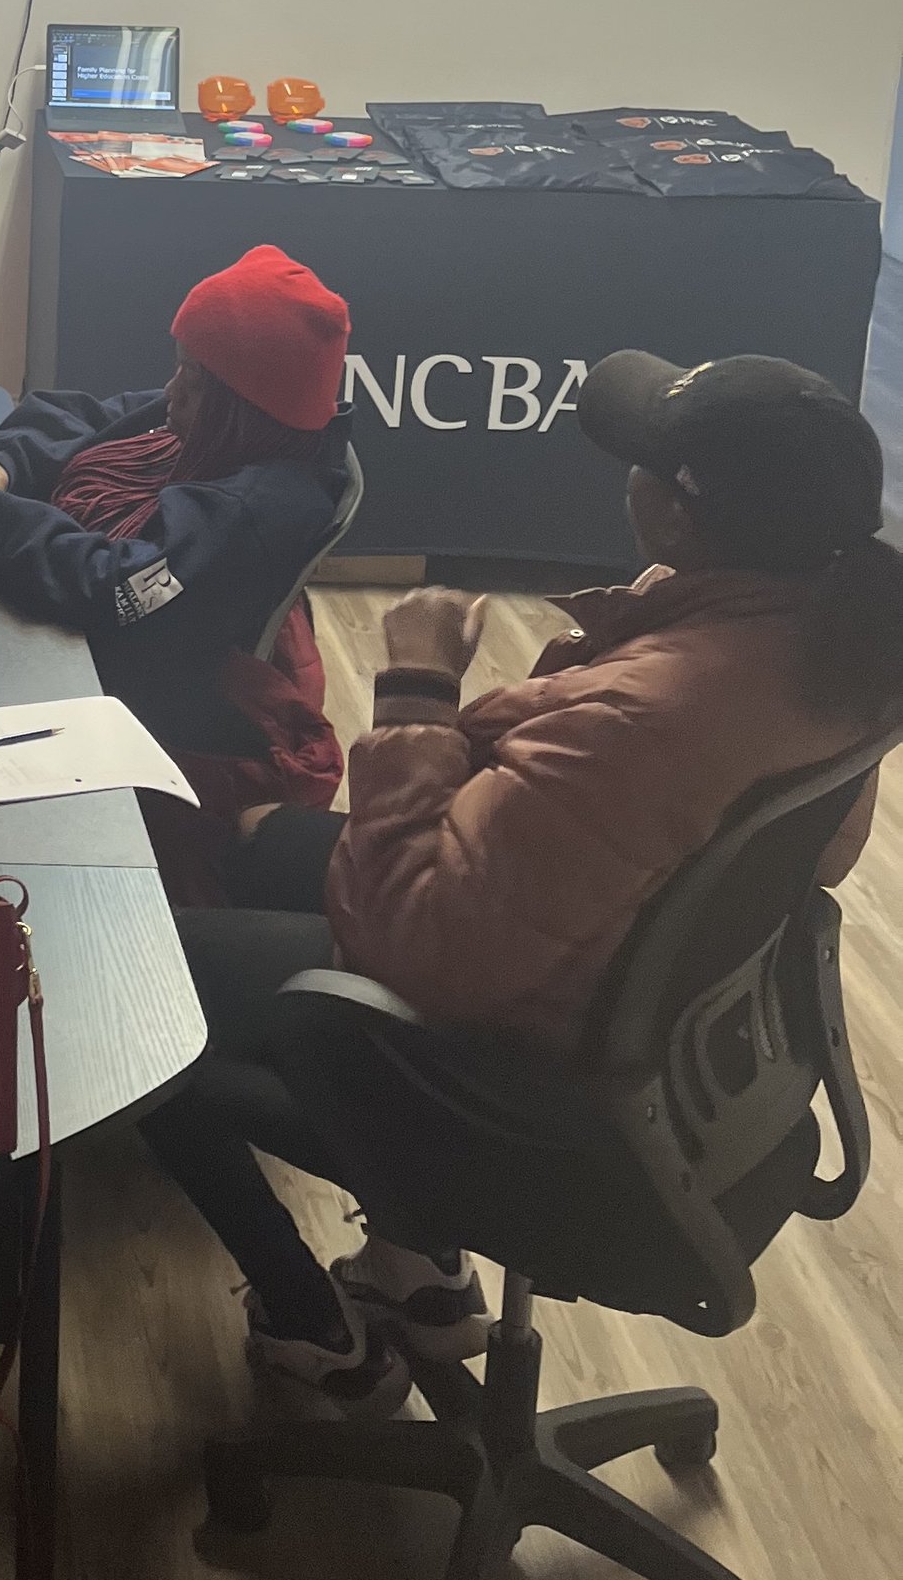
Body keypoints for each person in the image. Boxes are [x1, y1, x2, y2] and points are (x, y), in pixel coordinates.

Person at [138, 349, 903, 1410]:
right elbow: (809, 858)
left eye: (640, 459)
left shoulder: (652, 712)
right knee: (265, 841)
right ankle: (418, 1279)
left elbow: (420, 946)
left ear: (677, 513)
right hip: (655, 1030)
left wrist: (414, 690)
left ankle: (323, 1342)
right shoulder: (836, 639)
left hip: (522, 1089)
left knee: (121, 989)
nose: (623, 474)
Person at [0, 245, 357, 892]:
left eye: (191, 381)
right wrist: (7, 463)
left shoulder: (253, 513)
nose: (170, 393)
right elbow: (89, 416)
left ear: (237, 403)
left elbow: (113, 586)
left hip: (153, 688)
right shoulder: (228, 424)